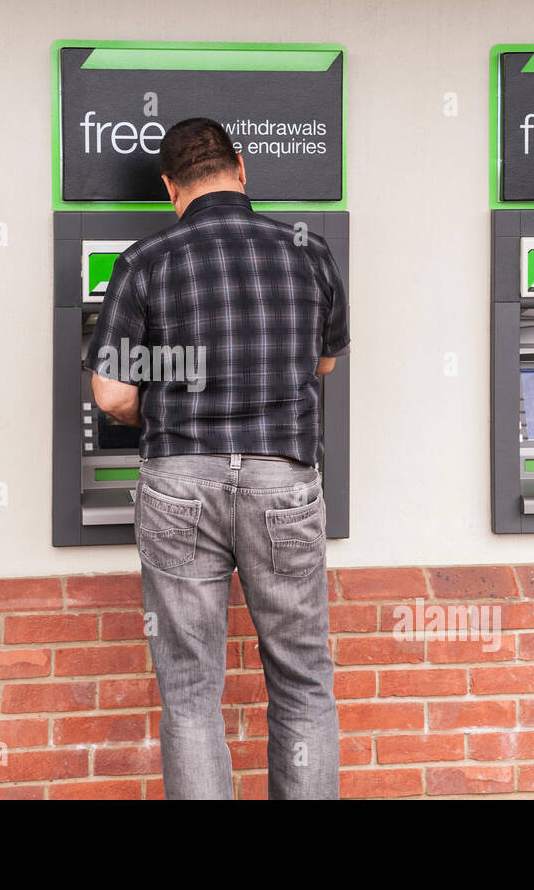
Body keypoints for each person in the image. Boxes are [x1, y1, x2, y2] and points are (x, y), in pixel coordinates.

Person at [83, 118, 350, 800]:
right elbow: (324, 362)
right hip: (282, 481)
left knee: (190, 691)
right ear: (241, 166)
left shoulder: (146, 259)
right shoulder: (309, 251)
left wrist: (164, 406)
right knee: (302, 681)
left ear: (169, 187)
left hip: (180, 481)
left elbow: (111, 393)